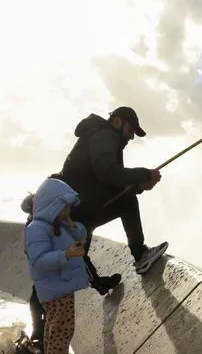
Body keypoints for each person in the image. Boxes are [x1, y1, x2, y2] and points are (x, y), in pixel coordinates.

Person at [57, 105, 169, 292]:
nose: (132, 136)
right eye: (131, 130)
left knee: (82, 244)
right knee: (128, 202)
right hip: (78, 207)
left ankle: (98, 283)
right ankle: (140, 255)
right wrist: (142, 175)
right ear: (118, 122)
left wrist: (140, 186)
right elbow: (107, 173)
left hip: (79, 207)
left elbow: (114, 184)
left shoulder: (104, 137)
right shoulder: (105, 135)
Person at [23, 177, 88, 354]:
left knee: (54, 331)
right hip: (55, 290)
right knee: (61, 332)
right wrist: (66, 255)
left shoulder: (58, 224)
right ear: (52, 204)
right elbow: (39, 260)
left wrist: (71, 224)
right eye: (64, 206)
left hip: (61, 288)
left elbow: (82, 236)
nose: (67, 209)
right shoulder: (37, 229)